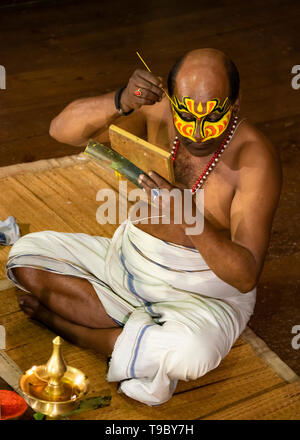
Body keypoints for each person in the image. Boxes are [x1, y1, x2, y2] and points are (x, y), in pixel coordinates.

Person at [6, 48, 282, 406]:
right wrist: (119, 99)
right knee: (25, 256)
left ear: (236, 103)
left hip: (201, 294)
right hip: (126, 262)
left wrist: (188, 218)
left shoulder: (255, 158)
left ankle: (85, 334)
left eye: (213, 116)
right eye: (186, 115)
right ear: (171, 101)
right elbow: (61, 131)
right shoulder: (157, 112)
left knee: (190, 353)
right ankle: (137, 337)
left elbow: (244, 276)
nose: (198, 133)